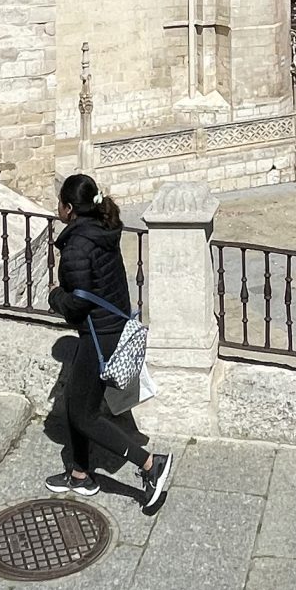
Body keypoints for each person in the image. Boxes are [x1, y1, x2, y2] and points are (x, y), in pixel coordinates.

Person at [47, 172, 174, 511]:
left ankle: (151, 465)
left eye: (60, 203)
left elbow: (79, 301)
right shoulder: (104, 227)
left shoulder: (77, 244)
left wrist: (56, 298)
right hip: (114, 323)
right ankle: (79, 474)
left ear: (70, 208)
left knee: (84, 414)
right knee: (78, 404)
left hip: (98, 333)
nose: (57, 208)